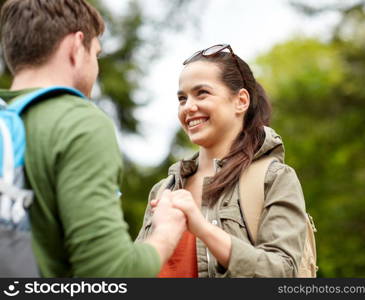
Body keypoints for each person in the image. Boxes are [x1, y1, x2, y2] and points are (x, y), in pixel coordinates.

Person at [0, 0, 185, 277]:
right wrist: (166, 233)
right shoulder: (79, 122)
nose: (96, 69)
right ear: (76, 47)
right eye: (96, 54)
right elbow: (110, 275)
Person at [137, 44, 308, 277]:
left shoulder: (274, 178)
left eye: (202, 93)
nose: (189, 107)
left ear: (241, 101)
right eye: (182, 98)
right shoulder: (163, 191)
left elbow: (282, 271)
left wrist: (203, 229)